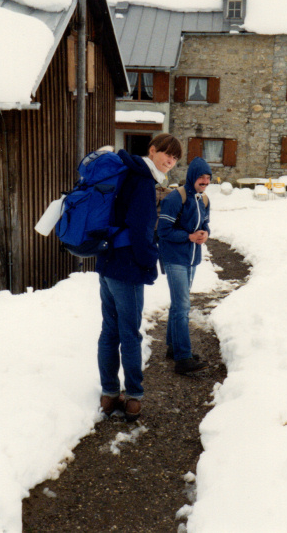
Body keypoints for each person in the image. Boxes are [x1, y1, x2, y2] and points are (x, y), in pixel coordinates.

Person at [96, 134, 182, 421]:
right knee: (129, 334)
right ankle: (133, 397)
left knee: (110, 331)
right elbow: (142, 230)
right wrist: (149, 262)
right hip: (127, 268)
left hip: (107, 263)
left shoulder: (125, 171)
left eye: (175, 158)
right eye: (166, 154)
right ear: (152, 150)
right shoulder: (144, 181)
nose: (170, 161)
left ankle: (109, 394)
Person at [157, 156, 212, 375]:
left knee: (178, 305)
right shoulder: (175, 198)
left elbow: (205, 223)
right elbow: (163, 231)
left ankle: (173, 347)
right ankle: (183, 357)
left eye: (208, 178)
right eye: (201, 177)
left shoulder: (204, 199)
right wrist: (189, 236)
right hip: (175, 258)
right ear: (192, 177)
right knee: (182, 307)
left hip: (191, 259)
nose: (205, 181)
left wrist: (205, 233)